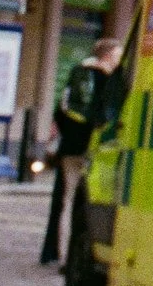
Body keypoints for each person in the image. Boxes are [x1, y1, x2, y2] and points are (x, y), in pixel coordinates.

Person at [41, 34, 122, 265]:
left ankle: (69, 254)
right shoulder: (97, 77)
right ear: (106, 56)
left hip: (76, 147)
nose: (120, 59)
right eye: (117, 55)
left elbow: (62, 110)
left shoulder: (79, 74)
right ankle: (72, 255)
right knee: (76, 199)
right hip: (86, 148)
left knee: (72, 199)